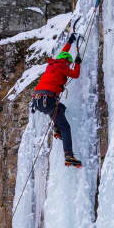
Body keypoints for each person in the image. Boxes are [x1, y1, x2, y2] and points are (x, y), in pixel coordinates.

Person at [32, 33, 82, 167]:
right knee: (66, 126)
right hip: (48, 100)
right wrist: (77, 64)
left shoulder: (52, 65)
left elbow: (62, 53)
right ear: (66, 61)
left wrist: (69, 42)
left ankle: (56, 128)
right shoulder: (63, 66)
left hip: (38, 101)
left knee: (61, 108)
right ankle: (69, 156)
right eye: (69, 62)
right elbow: (76, 74)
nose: (69, 65)